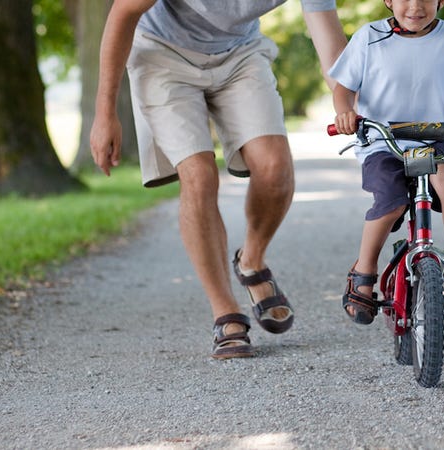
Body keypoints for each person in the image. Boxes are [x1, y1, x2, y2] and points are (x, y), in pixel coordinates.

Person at [90, 0, 347, 358]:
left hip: (240, 54)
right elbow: (123, 12)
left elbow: (330, 44)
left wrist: (348, 99)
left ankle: (252, 262)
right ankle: (225, 309)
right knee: (198, 176)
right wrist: (105, 113)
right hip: (162, 54)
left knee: (275, 169)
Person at [329, 0, 444, 324]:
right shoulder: (368, 37)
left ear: (440, 1)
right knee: (392, 200)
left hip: (433, 137)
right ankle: (364, 270)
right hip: (383, 139)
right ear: (389, 1)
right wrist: (345, 112)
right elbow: (343, 89)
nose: (415, 6)